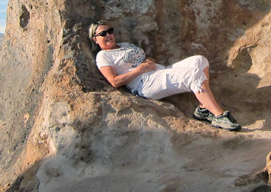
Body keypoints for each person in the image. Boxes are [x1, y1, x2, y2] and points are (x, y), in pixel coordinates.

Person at [89, 22, 241, 131]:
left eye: (110, 31)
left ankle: (203, 109)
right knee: (192, 74)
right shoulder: (103, 56)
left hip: (159, 72)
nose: (108, 35)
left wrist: (148, 61)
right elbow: (114, 81)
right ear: (95, 39)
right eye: (103, 34)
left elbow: (138, 60)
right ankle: (219, 115)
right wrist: (140, 69)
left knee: (200, 61)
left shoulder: (125, 45)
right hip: (144, 84)